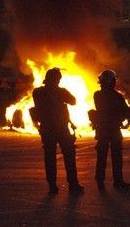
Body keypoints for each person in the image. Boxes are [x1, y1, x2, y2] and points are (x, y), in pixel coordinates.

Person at [30, 67, 83, 195]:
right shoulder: (60, 92)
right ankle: (73, 184)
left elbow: (73, 101)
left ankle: (53, 185)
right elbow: (73, 101)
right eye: (57, 78)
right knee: (69, 156)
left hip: (48, 128)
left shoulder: (38, 92)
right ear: (56, 79)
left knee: (50, 157)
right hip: (60, 128)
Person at [91, 69, 130, 190]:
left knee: (107, 156)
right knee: (112, 156)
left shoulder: (99, 95)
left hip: (106, 129)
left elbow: (124, 110)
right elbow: (123, 110)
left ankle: (106, 181)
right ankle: (114, 181)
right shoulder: (114, 96)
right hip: (110, 128)